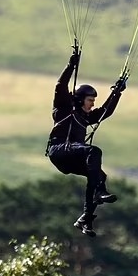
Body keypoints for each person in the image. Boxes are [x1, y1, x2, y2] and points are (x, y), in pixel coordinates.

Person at [46, 45, 127, 236]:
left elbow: (105, 112)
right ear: (80, 99)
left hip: (71, 157)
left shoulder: (86, 117)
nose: (93, 104)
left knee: (100, 176)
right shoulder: (64, 108)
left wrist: (117, 92)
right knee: (94, 151)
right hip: (59, 151)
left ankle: (85, 218)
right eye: (90, 100)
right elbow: (60, 87)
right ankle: (98, 194)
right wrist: (70, 65)